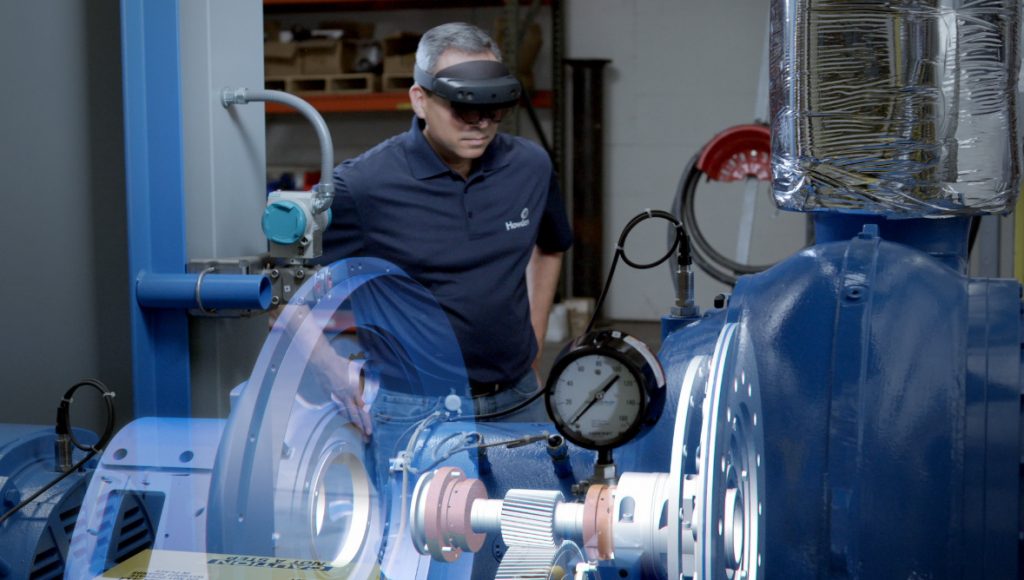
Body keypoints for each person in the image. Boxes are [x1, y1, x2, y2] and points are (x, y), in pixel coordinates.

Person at [318, 22, 572, 426]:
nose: (482, 123)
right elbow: (282, 296)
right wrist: (335, 373)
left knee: (532, 493)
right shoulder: (362, 187)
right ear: (420, 100)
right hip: (414, 411)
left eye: (494, 107)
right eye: (464, 107)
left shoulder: (530, 167)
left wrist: (534, 342)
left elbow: (551, 246)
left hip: (517, 399)